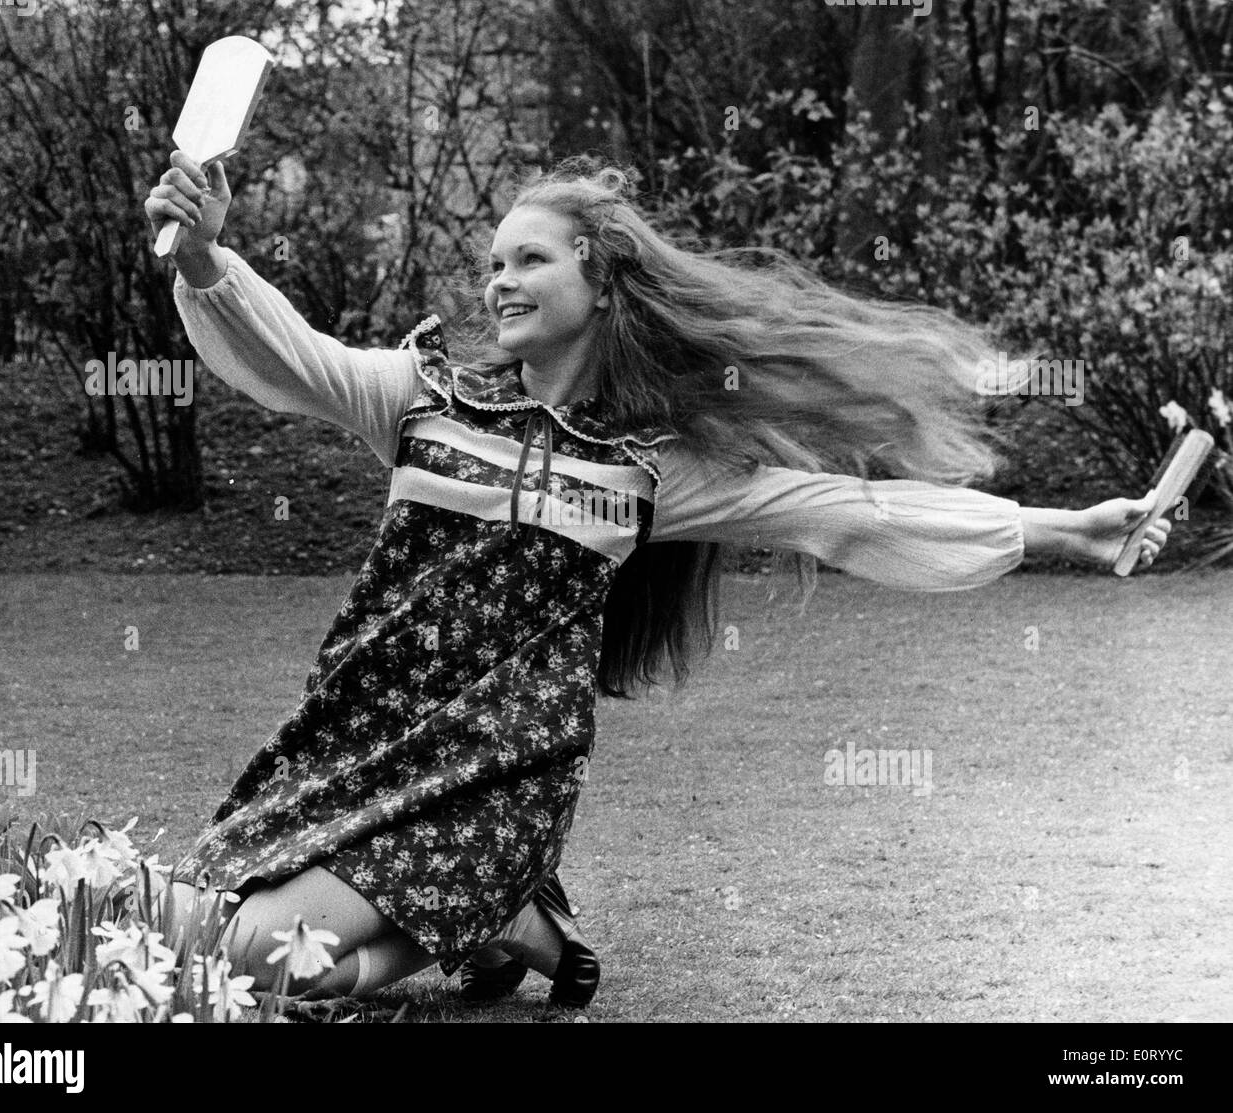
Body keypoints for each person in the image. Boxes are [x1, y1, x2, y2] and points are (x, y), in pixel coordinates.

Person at [141, 153, 1172, 1009]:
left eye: (530, 259)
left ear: (599, 284)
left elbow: (845, 512)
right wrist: (201, 255)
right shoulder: (422, 400)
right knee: (175, 924)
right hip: (353, 740)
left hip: (493, 775)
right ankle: (492, 912)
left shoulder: (645, 473)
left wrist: (1063, 531)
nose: (498, 280)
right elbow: (292, 355)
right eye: (492, 261)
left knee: (251, 966)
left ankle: (490, 903)